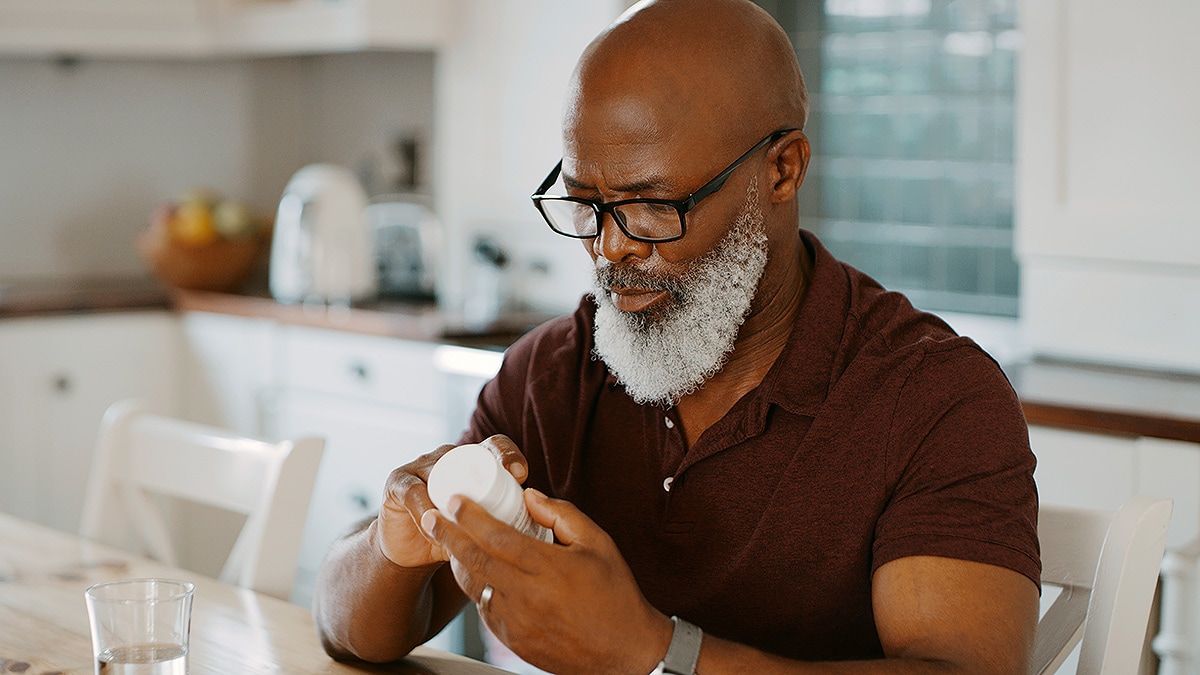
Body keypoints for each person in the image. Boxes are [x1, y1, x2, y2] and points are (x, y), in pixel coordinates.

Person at [312, 0, 1041, 672]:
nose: (610, 248)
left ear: (782, 170)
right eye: (586, 204)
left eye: (653, 206)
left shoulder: (933, 398)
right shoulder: (552, 377)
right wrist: (390, 543)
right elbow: (347, 628)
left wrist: (654, 653)